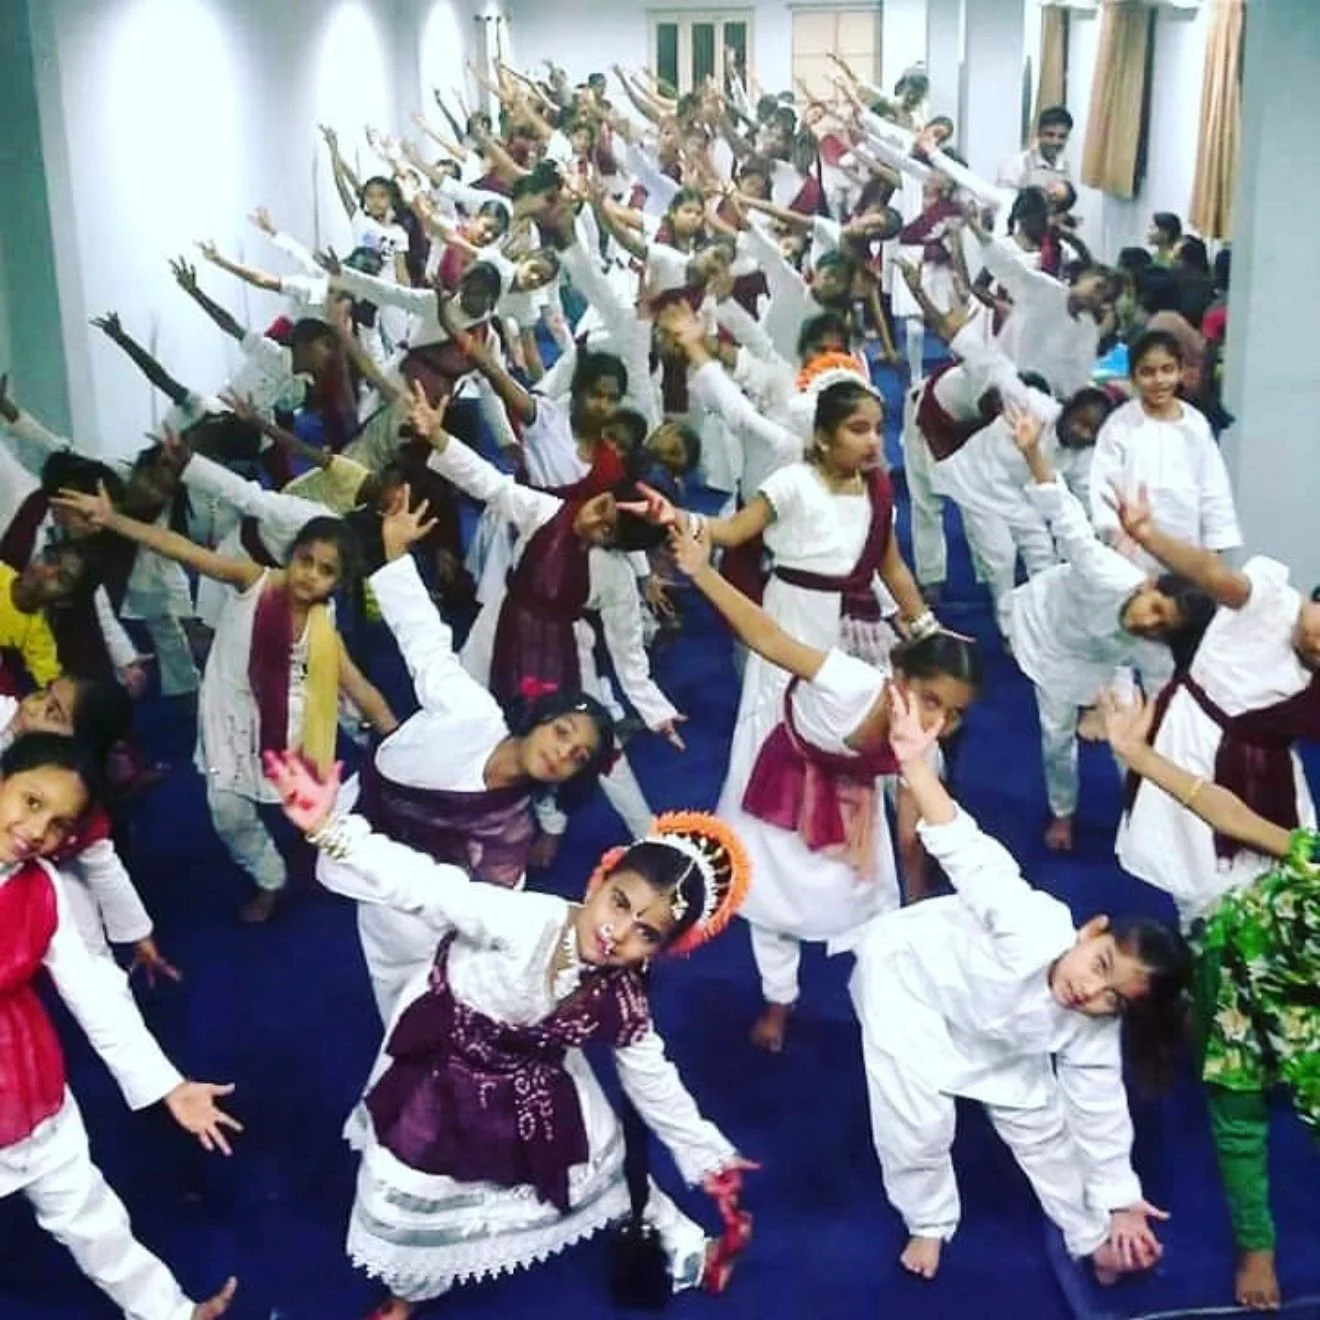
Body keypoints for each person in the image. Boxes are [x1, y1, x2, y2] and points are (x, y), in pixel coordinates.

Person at [263, 748, 757, 1319]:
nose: (617, 932)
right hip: (442, 1063)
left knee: (606, 1167)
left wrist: (707, 1158)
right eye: (619, 903)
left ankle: (688, 1250)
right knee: (413, 1181)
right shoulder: (526, 921)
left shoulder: (621, 996)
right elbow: (429, 886)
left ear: (662, 950)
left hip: (533, 1081)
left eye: (645, 933)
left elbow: (654, 1081)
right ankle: (412, 1289)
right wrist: (331, 829)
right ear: (601, 877)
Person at [850, 687, 1189, 1284]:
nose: (1091, 991)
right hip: (910, 985)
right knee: (919, 1121)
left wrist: (1117, 1197)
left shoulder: (1094, 1026)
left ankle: (1092, 1241)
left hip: (998, 1030)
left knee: (1045, 1124)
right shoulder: (1030, 922)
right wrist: (913, 764)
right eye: (1102, 965)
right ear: (1091, 931)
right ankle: (928, 1219)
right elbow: (966, 846)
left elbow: (1101, 1110)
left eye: (1114, 999)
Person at [670, 516, 979, 1051]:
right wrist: (701, 571)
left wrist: (918, 906)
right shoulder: (849, 683)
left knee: (874, 911)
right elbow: (766, 637)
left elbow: (910, 827)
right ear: (900, 678)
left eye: (952, 714)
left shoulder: (924, 739)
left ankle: (886, 1006)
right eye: (930, 700)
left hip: (850, 810)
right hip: (777, 793)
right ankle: (779, 1000)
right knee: (767, 903)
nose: (937, 721)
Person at [50, 483, 397, 924]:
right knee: (228, 812)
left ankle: (364, 862)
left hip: (292, 731)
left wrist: (399, 739)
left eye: (325, 570)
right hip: (229, 724)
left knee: (313, 816)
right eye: (304, 560)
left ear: (339, 583)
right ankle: (269, 879)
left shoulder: (323, 628)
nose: (309, 574)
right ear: (290, 555)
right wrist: (112, 518)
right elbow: (183, 550)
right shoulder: (254, 582)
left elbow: (360, 688)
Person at [339, 491, 617, 1020]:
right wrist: (395, 554)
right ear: (538, 719)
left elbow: (496, 914)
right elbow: (427, 647)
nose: (564, 753)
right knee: (388, 991)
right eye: (562, 732)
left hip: (423, 917)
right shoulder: (473, 711)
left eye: (579, 756)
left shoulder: (511, 834)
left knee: (417, 1017)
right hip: (362, 840)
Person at [0, 732, 240, 1319]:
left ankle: (169, 1313)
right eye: (30, 802)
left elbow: (94, 994)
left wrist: (168, 1086)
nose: (37, 831)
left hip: (27, 1084)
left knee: (90, 1216)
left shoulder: (45, 888)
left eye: (58, 824)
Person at [1102, 688, 1320, 1313]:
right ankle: (1257, 1244)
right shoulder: (1312, 861)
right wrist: (1135, 754)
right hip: (1234, 974)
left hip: (1309, 1018)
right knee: (1237, 1117)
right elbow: (1230, 816)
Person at [1103, 482, 1320, 931]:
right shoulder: (1270, 600)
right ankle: (1198, 938)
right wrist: (1149, 536)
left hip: (1262, 770)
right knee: (1192, 867)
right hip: (1189, 735)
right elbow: (1212, 573)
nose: (1318, 644)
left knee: (1272, 874)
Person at [1004, 403, 1214, 851]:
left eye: (1161, 627)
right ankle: (1063, 813)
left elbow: (1162, 700)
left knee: (1131, 735)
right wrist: (1032, 452)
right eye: (1155, 608)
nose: (1148, 623)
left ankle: (1138, 811)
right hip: (1051, 636)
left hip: (1106, 658)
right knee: (1057, 734)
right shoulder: (1105, 571)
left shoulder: (1155, 646)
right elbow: (1064, 515)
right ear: (1150, 586)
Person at [1089, 330, 1241, 589]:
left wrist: (1214, 550)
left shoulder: (1195, 425)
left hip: (1186, 548)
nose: (1159, 380)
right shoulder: (1119, 425)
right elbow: (1102, 485)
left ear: (1181, 371)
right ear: (1133, 377)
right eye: (1147, 372)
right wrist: (1115, 535)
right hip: (1131, 548)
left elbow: (1213, 489)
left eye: (1167, 369)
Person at [998, 105, 1074, 193]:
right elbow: (1003, 201)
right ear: (1039, 134)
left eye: (1062, 137)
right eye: (1050, 135)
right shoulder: (1017, 163)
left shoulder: (1064, 167)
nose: (1055, 141)